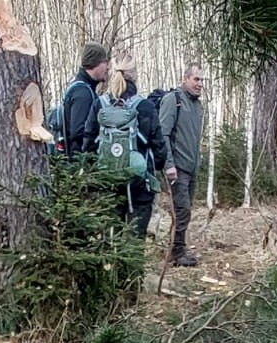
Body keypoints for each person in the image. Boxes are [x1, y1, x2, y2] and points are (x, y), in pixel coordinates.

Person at [99, 57, 169, 239]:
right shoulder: (145, 107)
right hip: (139, 184)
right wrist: (159, 166)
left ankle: (109, 267)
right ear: (135, 77)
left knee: (109, 238)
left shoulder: (100, 104)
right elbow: (158, 144)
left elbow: (88, 142)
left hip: (107, 183)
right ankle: (130, 268)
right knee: (134, 240)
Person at [157, 63, 206, 267]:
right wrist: (169, 165)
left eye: (202, 80)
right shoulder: (173, 100)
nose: (200, 84)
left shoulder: (197, 105)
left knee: (185, 210)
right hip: (177, 167)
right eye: (196, 79)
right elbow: (163, 134)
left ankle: (175, 248)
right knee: (182, 209)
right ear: (185, 79)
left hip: (191, 166)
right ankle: (177, 252)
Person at [61, 42, 111, 156]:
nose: (107, 67)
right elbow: (78, 133)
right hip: (81, 164)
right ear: (94, 63)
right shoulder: (82, 94)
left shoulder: (84, 89)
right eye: (105, 62)